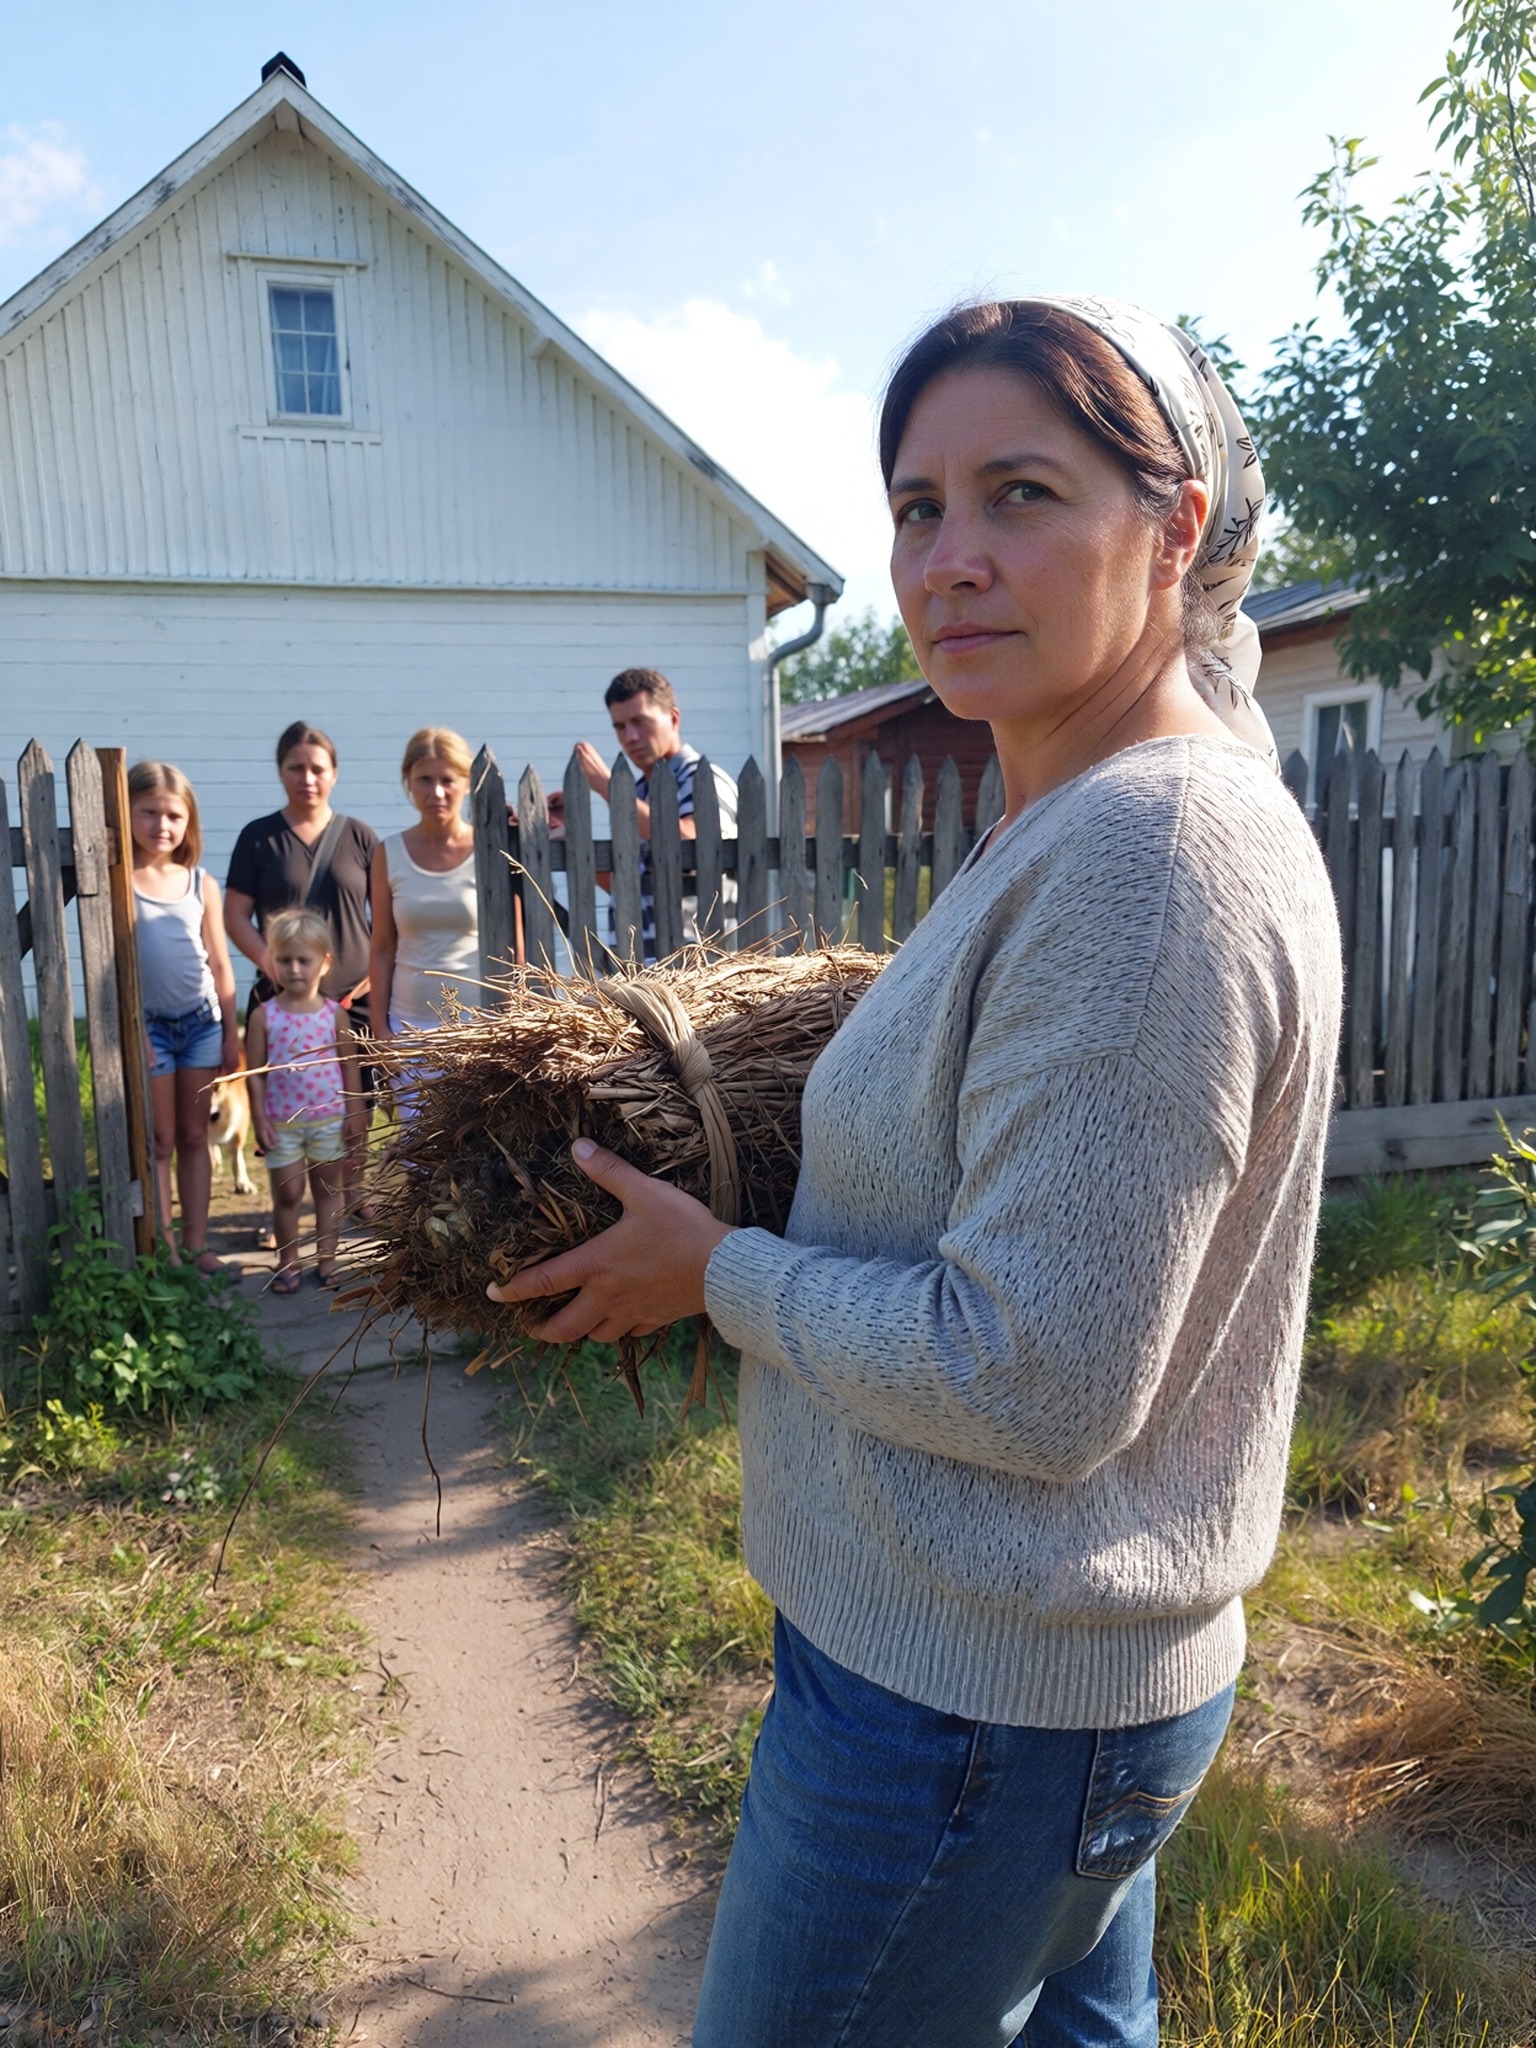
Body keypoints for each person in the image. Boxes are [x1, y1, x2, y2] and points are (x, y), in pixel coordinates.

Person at [486, 297, 1343, 2047]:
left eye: (1020, 493)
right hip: (1030, 1672)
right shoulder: (1085, 806)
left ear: (1174, 527)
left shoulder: (1151, 854)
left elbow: (1034, 1376)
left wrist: (712, 1271)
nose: (949, 557)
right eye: (916, 506)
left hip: (972, 1712)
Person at [225, 723, 379, 1215]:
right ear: (280, 772)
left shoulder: (359, 837)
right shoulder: (259, 838)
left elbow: (388, 918)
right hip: (284, 1000)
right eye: (296, 767)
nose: (307, 778)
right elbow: (234, 916)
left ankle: (352, 1197)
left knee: (358, 1100)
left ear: (334, 774)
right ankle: (286, 1211)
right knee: (284, 1105)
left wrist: (375, 975)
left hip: (354, 998)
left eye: (317, 768)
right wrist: (274, 965)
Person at [128, 760, 241, 1277]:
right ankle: (164, 1244)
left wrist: (230, 1035)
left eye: (173, 814)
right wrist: (134, 1032)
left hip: (201, 1024)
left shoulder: (200, 883)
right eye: (149, 812)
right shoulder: (118, 881)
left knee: (197, 1137)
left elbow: (219, 962)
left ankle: (197, 1244)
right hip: (149, 1027)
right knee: (160, 1140)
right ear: (127, 812)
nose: (161, 825)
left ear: (189, 821)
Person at [573, 668, 738, 960]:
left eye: (639, 721)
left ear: (673, 718)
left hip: (695, 971)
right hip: (641, 970)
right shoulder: (638, 792)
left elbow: (692, 842)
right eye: (620, 726)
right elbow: (625, 885)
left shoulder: (702, 778)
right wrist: (568, 833)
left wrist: (610, 789)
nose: (630, 736)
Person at [245, 907, 362, 1294]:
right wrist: (258, 1117)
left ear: (324, 964)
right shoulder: (264, 1017)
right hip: (282, 1124)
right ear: (272, 963)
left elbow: (349, 1066)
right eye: (284, 960)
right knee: (289, 1195)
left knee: (328, 1192)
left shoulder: (334, 1016)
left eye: (303, 960)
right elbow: (255, 1074)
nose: (294, 968)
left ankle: (328, 1260)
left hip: (329, 1118)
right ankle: (288, 1261)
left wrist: (355, 1110)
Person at [368, 727, 479, 1101]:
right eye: (424, 780)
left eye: (448, 780)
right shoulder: (389, 853)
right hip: (409, 1028)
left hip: (477, 1026)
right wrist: (380, 1028)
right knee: (417, 1150)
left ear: (466, 782)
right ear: (408, 783)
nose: (437, 792)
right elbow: (382, 946)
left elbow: (514, 944)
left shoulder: (490, 847)